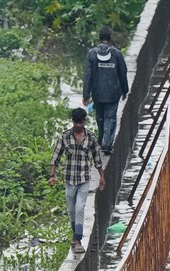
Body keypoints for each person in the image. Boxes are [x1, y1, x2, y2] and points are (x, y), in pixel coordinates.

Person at [49, 108, 106, 254]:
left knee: (80, 208)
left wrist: (101, 177)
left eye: (81, 123)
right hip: (69, 179)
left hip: (84, 179)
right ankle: (75, 235)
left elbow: (97, 158)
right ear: (72, 121)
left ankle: (78, 240)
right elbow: (56, 157)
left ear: (84, 121)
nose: (79, 126)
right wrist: (52, 175)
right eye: (76, 123)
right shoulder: (64, 137)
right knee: (71, 210)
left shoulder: (91, 137)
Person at [82, 26, 129, 155]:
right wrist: (125, 90)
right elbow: (123, 73)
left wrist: (86, 94)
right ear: (109, 38)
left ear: (99, 38)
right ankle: (107, 144)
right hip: (113, 93)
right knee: (110, 118)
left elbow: (87, 75)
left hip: (97, 93)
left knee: (100, 118)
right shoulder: (116, 54)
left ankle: (102, 141)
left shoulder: (92, 54)